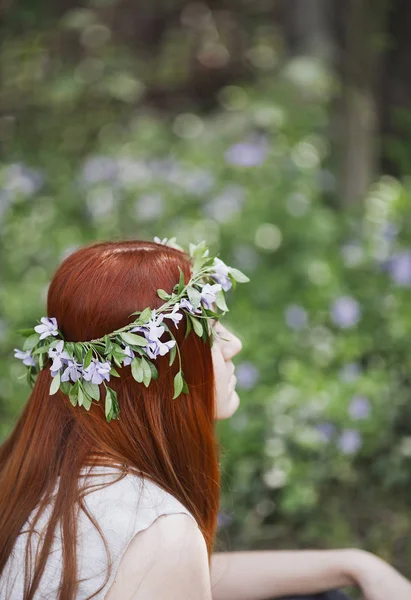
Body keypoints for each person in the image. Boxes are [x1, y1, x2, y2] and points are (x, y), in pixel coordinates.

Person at [0, 237, 410, 600]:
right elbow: (166, 561)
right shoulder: (160, 533)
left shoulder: (39, 477)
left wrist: (355, 564)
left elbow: (176, 575)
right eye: (209, 332)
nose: (234, 344)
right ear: (154, 373)